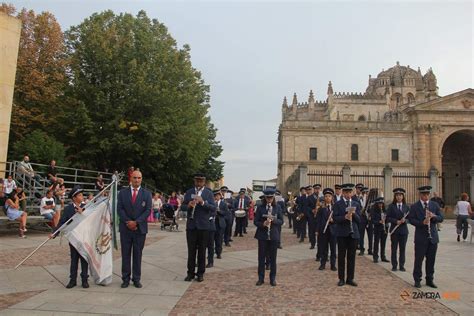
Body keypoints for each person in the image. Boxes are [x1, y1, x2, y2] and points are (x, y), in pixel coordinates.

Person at [117, 170, 152, 288]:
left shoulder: (147, 194)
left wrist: (136, 222)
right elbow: (119, 209)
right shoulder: (122, 193)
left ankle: (136, 278)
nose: (137, 180)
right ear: (130, 179)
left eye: (139, 178)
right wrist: (128, 222)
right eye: (134, 178)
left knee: (137, 254)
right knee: (125, 254)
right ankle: (125, 278)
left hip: (140, 229)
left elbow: (147, 210)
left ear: (141, 179)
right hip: (125, 228)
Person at [181, 173, 216, 282]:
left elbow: (213, 208)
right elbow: (182, 206)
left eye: (201, 181)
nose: (199, 183)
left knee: (201, 251)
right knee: (191, 251)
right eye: (197, 181)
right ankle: (190, 273)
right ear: (195, 181)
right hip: (191, 226)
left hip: (203, 226)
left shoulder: (208, 193)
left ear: (204, 182)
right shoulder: (190, 192)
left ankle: (200, 273)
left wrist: (203, 202)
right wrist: (188, 206)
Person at [408, 185, 443, 288]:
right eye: (424, 194)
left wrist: (434, 216)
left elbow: (441, 218)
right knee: (419, 259)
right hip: (420, 237)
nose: (426, 196)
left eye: (427, 194)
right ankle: (417, 279)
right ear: (420, 195)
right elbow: (411, 220)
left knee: (431, 260)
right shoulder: (414, 206)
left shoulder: (434, 205)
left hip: (433, 237)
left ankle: (429, 279)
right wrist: (421, 222)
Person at [55, 186, 89, 288]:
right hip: (73, 237)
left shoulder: (87, 206)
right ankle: (72, 280)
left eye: (82, 195)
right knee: (74, 259)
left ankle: (84, 279)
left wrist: (83, 213)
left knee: (84, 259)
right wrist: (54, 232)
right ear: (74, 198)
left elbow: (91, 219)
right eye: (79, 195)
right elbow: (62, 222)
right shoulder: (69, 208)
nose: (81, 197)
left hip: (84, 237)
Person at [333, 183, 361, 287]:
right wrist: (344, 217)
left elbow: (359, 220)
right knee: (341, 257)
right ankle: (341, 278)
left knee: (351, 257)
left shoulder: (356, 204)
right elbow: (335, 218)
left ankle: (350, 278)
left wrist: (354, 214)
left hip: (353, 233)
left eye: (350, 192)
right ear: (343, 193)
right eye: (346, 192)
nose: (348, 194)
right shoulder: (338, 204)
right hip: (342, 233)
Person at [254, 189, 283, 286]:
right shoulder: (260, 208)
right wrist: (263, 223)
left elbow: (281, 221)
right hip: (262, 235)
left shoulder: (277, 207)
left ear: (273, 197)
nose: (269, 199)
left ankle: (272, 278)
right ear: (265, 198)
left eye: (271, 197)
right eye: (267, 197)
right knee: (261, 258)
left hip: (273, 235)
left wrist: (273, 220)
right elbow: (255, 221)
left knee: (273, 258)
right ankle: (261, 278)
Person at [386, 188, 409, 271]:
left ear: (403, 196)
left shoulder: (406, 207)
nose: (399, 197)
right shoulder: (391, 206)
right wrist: (396, 221)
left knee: (402, 249)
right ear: (395, 197)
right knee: (394, 249)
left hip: (403, 231)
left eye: (400, 195)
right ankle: (394, 265)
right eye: (397, 195)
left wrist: (405, 221)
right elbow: (387, 218)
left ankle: (402, 265)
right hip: (394, 231)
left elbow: (410, 218)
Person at [315, 188, 337, 271]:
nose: (328, 198)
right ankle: (322, 264)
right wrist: (317, 230)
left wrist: (333, 220)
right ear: (324, 198)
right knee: (324, 248)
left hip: (333, 231)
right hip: (323, 231)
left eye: (329, 196)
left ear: (332, 198)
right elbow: (318, 220)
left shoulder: (335, 207)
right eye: (326, 196)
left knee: (333, 249)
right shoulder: (321, 208)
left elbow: (338, 218)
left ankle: (333, 265)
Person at [371, 197, 389, 263]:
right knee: (376, 243)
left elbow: (388, 218)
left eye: (381, 203)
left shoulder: (385, 210)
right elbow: (373, 220)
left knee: (383, 243)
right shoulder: (374, 211)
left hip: (384, 228)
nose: (380, 205)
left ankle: (383, 256)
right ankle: (375, 257)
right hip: (377, 228)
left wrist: (386, 221)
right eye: (379, 203)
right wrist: (379, 221)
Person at [213, 190, 228, 260]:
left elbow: (225, 213)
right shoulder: (212, 203)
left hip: (220, 223)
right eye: (215, 196)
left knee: (219, 239)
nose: (217, 197)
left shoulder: (223, 204)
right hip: (212, 222)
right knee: (211, 239)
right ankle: (211, 253)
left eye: (218, 196)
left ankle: (219, 253)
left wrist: (219, 211)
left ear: (220, 196)